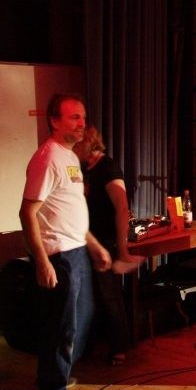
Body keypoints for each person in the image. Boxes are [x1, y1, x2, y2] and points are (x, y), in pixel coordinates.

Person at [20, 93, 112, 390]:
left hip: (76, 252)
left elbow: (68, 210)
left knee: (78, 321)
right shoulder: (48, 158)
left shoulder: (70, 157)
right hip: (59, 255)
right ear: (54, 121)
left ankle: (53, 375)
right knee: (62, 326)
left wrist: (94, 245)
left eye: (83, 117)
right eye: (74, 117)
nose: (82, 124)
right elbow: (28, 212)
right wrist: (42, 261)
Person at [76, 124, 137, 366]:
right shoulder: (85, 169)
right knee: (91, 295)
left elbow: (122, 208)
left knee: (109, 295)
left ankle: (120, 347)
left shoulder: (108, 168)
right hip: (89, 239)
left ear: (86, 144)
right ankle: (90, 345)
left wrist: (122, 249)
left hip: (107, 240)